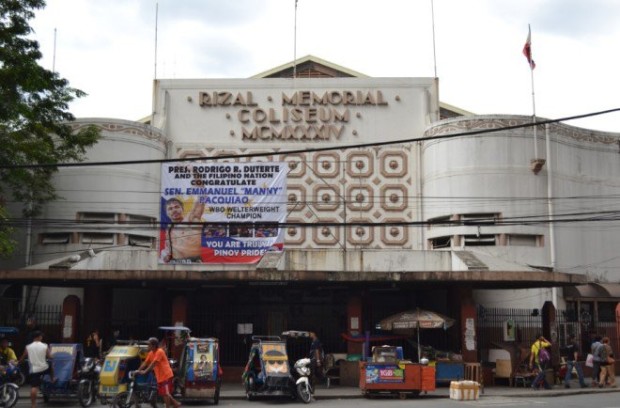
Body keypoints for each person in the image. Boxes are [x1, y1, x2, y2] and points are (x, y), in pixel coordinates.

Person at [136, 337, 181, 408]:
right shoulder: (151, 353)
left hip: (166, 375)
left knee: (165, 393)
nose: (148, 346)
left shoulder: (159, 351)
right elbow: (145, 363)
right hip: (159, 376)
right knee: (164, 393)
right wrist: (138, 370)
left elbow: (154, 363)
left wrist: (145, 371)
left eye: (149, 345)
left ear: (153, 346)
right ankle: (176, 404)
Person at [160, 197, 205, 264]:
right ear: (167, 213)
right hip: (175, 266)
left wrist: (200, 187)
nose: (174, 210)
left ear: (182, 209)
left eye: (176, 207)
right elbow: (167, 250)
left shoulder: (191, 219)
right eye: (170, 209)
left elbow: (202, 199)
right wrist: (165, 255)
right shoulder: (169, 229)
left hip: (194, 264)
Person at [18, 331, 53, 408]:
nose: (42, 337)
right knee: (51, 366)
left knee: (34, 387)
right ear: (39, 337)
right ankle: (52, 379)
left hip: (34, 370)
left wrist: (18, 362)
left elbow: (23, 358)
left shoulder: (28, 347)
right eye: (41, 336)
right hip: (44, 368)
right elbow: (50, 357)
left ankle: (33, 405)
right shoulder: (45, 345)